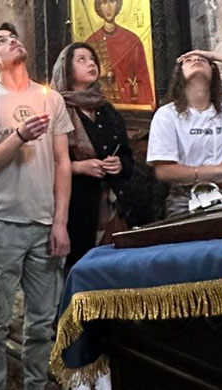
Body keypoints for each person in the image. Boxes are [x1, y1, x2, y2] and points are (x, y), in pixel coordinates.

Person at [0, 22, 73, 390]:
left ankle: (35, 384)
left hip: (44, 224)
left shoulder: (51, 98)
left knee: (42, 323)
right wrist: (18, 137)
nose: (12, 40)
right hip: (2, 224)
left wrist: (60, 222)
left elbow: (62, 163)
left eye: (13, 36)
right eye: (1, 41)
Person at [147, 50, 222, 217]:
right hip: (188, 200)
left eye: (203, 60)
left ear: (213, 71)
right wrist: (219, 169)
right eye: (188, 60)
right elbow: (163, 171)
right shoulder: (167, 115)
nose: (196, 60)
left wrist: (216, 56)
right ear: (179, 74)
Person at [50, 42, 134, 273]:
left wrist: (119, 164)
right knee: (80, 267)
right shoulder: (56, 108)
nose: (91, 64)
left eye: (93, 60)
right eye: (82, 60)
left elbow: (126, 153)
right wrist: (78, 167)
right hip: (75, 204)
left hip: (110, 204)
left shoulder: (106, 109)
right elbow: (45, 162)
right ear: (66, 69)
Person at [84, 0, 154, 108]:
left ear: (118, 4)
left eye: (112, 1)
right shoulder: (91, 42)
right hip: (100, 104)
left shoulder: (132, 40)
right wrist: (98, 74)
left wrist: (135, 87)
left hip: (128, 103)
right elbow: (81, 82)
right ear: (99, 7)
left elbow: (143, 80)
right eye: (104, 2)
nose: (109, 7)